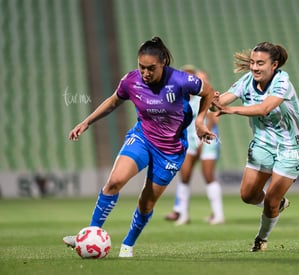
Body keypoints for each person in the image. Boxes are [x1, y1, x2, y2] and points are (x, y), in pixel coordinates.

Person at [62, 36, 216, 258]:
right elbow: (114, 101)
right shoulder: (131, 81)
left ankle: (128, 244)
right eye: (141, 67)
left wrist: (200, 121)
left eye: (151, 68)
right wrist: (86, 122)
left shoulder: (181, 80)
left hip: (170, 150)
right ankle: (90, 233)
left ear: (163, 62)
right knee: (114, 181)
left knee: (146, 203)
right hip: (143, 138)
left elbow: (208, 91)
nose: (145, 73)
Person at [212, 42, 299, 252]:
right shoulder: (246, 80)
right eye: (253, 62)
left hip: (290, 145)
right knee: (247, 195)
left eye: (260, 63)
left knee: (271, 199)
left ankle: (261, 239)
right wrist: (212, 99)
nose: (255, 68)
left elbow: (265, 108)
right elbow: (221, 102)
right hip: (263, 143)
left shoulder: (282, 82)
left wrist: (232, 110)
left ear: (274, 65)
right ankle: (277, 206)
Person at [164, 65, 225, 225]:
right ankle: (183, 215)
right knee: (184, 176)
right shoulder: (180, 98)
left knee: (208, 175)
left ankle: (218, 215)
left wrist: (203, 141)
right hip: (189, 141)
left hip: (207, 139)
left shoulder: (202, 97)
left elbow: (212, 118)